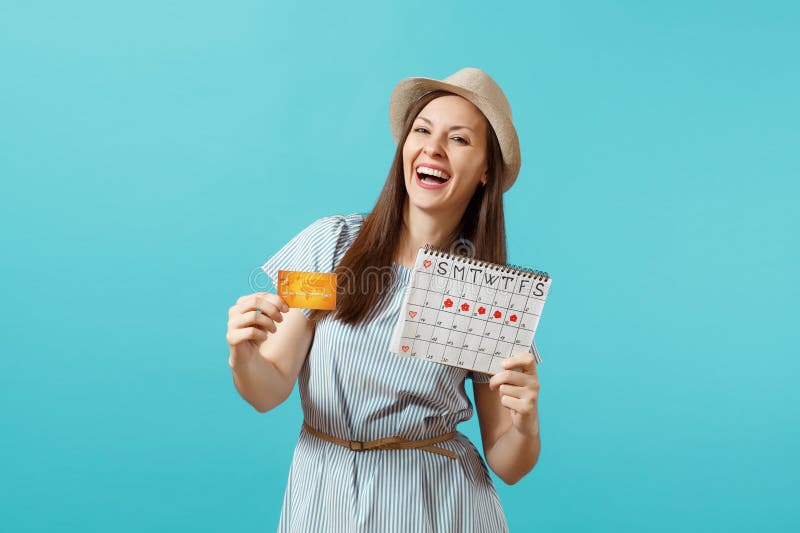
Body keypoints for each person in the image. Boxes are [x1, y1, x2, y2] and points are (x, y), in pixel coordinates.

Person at [226, 67, 542, 532]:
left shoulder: (482, 295)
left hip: (436, 506)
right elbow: (267, 387)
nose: (433, 148)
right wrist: (243, 354)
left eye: (459, 139)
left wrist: (526, 423)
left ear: (486, 170)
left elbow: (508, 463)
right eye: (422, 130)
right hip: (323, 497)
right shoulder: (332, 247)